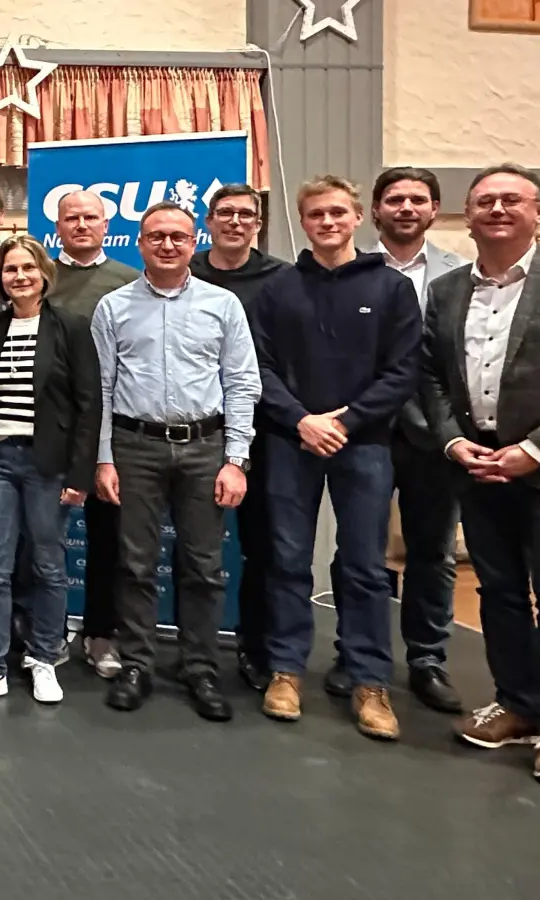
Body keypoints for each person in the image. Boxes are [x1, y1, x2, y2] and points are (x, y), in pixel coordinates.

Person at [254, 176, 422, 742]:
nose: (327, 222)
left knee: (364, 567)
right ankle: (285, 671)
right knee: (286, 559)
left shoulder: (393, 289)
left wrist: (345, 421)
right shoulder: (278, 289)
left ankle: (370, 681)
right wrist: (302, 419)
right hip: (291, 440)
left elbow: (403, 371)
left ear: (357, 219)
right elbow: (259, 368)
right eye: (315, 215)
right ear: (302, 223)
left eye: (337, 213)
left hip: (365, 444)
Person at [92, 201, 259, 722]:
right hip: (134, 445)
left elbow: (241, 381)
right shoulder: (113, 307)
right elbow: (100, 388)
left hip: (205, 447)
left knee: (204, 566)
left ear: (194, 243)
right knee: (136, 564)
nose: (167, 244)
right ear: (139, 243)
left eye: (178, 237)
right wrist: (103, 459)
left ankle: (200, 667)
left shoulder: (223, 305)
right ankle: (138, 662)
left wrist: (237, 458)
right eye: (156, 236)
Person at [317, 168, 468, 713]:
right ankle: (353, 654)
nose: (406, 208)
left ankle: (427, 659)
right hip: (361, 430)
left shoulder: (463, 275)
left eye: (418, 200)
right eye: (395, 199)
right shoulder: (347, 270)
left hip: (434, 435)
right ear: (374, 211)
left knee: (431, 550)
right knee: (358, 550)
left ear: (434, 209)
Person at [421, 163, 540, 782]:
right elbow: (433, 377)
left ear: (536, 211)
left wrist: (535, 450)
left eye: (510, 199)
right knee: (498, 591)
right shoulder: (445, 293)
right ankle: (521, 705)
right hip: (477, 464)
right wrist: (452, 441)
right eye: (484, 200)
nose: (496, 209)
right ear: (466, 215)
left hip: (537, 463)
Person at [0, 236, 98, 704]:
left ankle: (44, 658)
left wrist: (80, 474)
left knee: (48, 565)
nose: (20, 277)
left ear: (44, 274)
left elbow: (89, 406)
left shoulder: (70, 328)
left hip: (47, 466)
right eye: (10, 270)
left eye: (28, 268)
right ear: (1, 279)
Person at [188, 183, 291, 693]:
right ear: (208, 221)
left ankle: (258, 648)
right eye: (224, 213)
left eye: (245, 214)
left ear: (258, 223)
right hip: (194, 434)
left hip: (265, 433)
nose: (235, 221)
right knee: (185, 550)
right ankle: (192, 653)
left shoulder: (282, 279)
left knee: (263, 547)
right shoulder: (185, 272)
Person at [43, 190, 141, 680]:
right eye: (71, 218)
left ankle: (101, 633)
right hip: (49, 429)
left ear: (106, 223)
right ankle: (45, 628)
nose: (81, 225)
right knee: (42, 537)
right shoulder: (40, 279)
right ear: (57, 226)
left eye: (90, 218)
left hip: (113, 429)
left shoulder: (129, 281)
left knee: (109, 538)